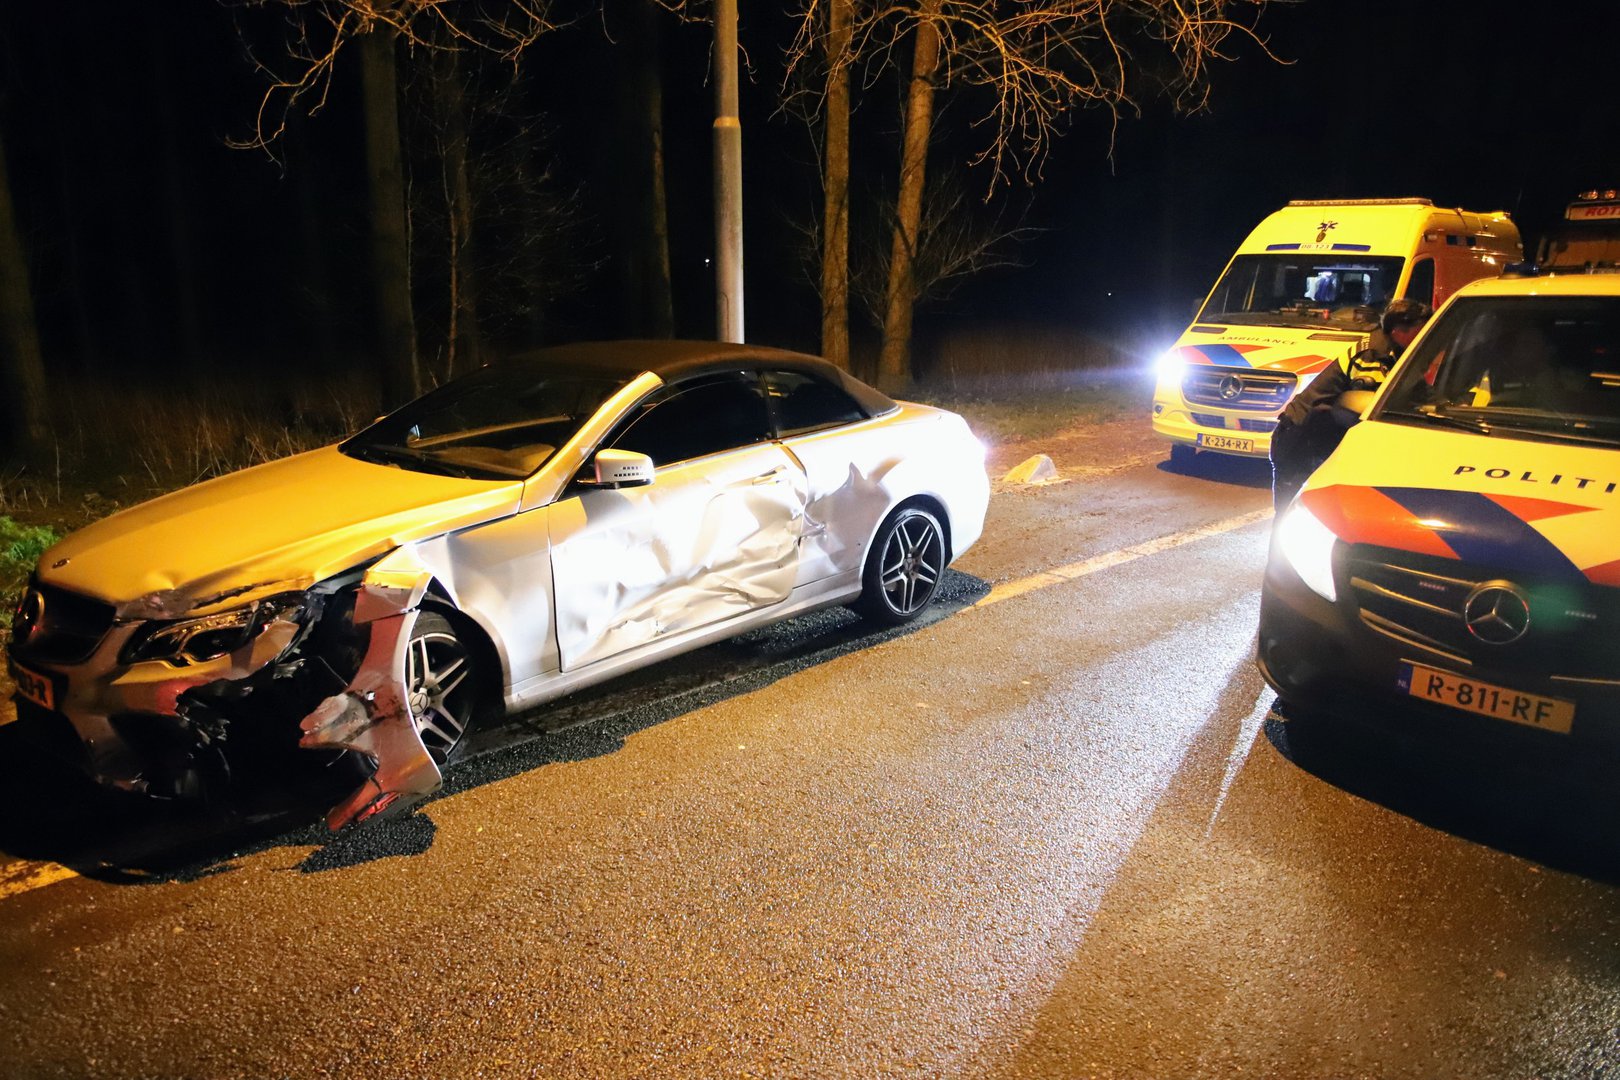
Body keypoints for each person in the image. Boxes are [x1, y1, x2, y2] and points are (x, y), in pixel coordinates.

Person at [1270, 297, 1432, 513]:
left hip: (1320, 437)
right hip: (1300, 439)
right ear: (1398, 332)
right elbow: (1371, 405)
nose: (1424, 337)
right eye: (1420, 331)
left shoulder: (1394, 352)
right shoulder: (1372, 356)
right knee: (1292, 518)